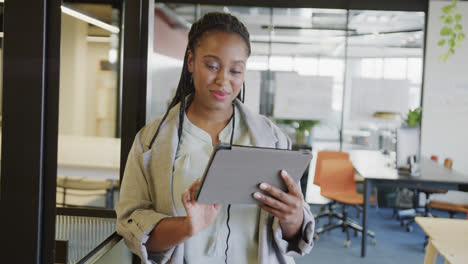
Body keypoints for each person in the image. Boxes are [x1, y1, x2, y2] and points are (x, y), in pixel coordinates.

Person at [116, 12, 315, 264]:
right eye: (211, 66)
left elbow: (295, 233)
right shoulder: (151, 141)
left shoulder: (273, 138)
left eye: (235, 70)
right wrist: (186, 226)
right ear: (190, 61)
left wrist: (293, 216)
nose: (223, 80)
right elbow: (132, 228)